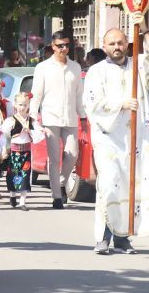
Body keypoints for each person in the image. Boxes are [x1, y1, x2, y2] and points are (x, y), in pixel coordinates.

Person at [84, 15, 149, 255]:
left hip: (135, 138)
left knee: (130, 187)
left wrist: (146, 30)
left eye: (121, 43)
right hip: (108, 138)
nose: (117, 48)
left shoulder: (138, 67)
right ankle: (102, 237)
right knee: (109, 184)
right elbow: (92, 102)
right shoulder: (96, 72)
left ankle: (123, 239)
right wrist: (121, 104)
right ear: (104, 46)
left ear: (127, 44)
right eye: (112, 44)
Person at [30, 30, 86, 209]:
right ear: (53, 47)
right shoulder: (43, 68)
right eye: (60, 46)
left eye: (67, 45)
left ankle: (61, 182)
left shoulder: (75, 67)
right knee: (54, 158)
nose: (64, 49)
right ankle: (56, 196)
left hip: (70, 118)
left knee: (73, 154)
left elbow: (79, 95)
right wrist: (32, 117)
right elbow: (36, 94)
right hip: (50, 117)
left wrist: (83, 116)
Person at [1, 92, 42, 210]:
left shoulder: (32, 121)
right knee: (13, 175)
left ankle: (22, 201)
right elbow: (4, 134)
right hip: (14, 152)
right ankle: (12, 195)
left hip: (26, 152)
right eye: (20, 105)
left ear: (28, 106)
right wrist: (4, 148)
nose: (22, 107)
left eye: (24, 105)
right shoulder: (11, 120)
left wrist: (30, 131)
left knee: (25, 176)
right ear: (15, 105)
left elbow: (38, 136)